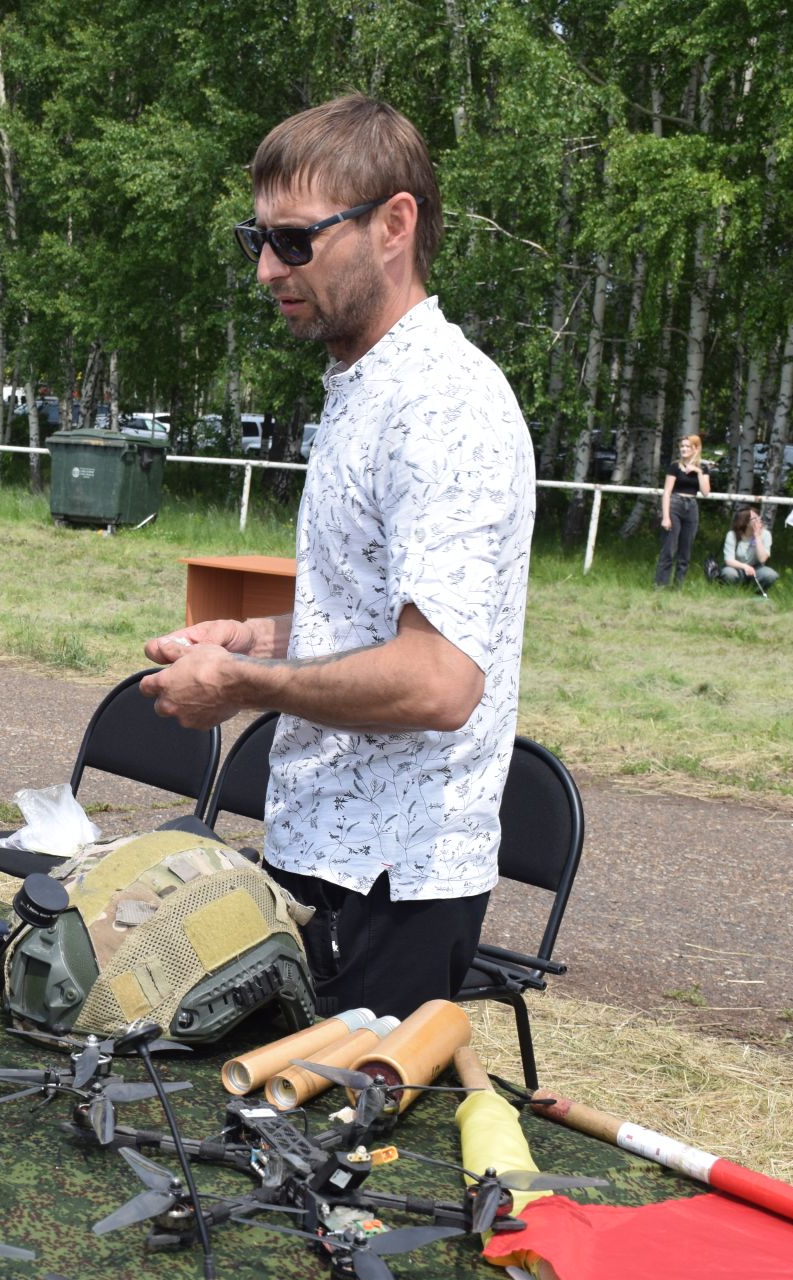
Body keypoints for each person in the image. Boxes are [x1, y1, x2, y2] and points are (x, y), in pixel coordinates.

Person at [137, 94, 535, 1020]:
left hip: (396, 876)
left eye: (296, 240)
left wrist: (242, 684)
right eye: (258, 240)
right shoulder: (367, 386)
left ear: (395, 224)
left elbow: (439, 681)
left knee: (336, 1158)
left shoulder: (444, 407)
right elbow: (377, 615)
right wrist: (267, 636)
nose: (269, 268)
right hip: (330, 849)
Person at [655, 433, 710, 587]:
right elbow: (666, 492)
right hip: (675, 504)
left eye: (687, 446)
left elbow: (705, 492)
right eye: (682, 446)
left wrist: (698, 472)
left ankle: (678, 586)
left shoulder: (703, 468)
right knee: (669, 549)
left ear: (695, 449)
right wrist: (665, 517)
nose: (684, 449)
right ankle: (660, 585)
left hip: (692, 506)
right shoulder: (674, 466)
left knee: (685, 551)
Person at [715, 506, 777, 591]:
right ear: (745, 523)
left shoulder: (766, 535)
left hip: (756, 569)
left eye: (759, 517)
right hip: (735, 568)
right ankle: (731, 590)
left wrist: (757, 537)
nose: (759, 520)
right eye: (755, 519)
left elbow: (762, 559)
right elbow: (729, 560)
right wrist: (745, 567)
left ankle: (756, 591)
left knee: (770, 574)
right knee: (728, 573)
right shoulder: (732, 535)